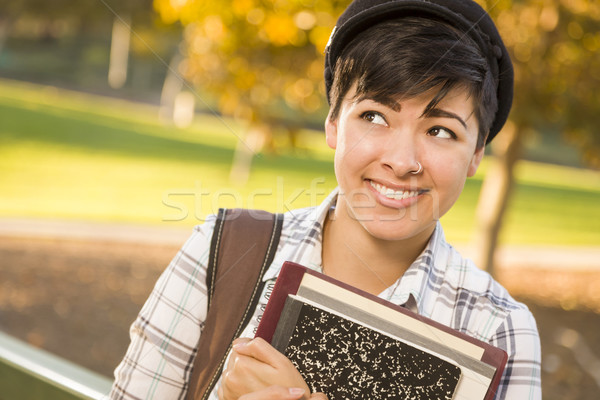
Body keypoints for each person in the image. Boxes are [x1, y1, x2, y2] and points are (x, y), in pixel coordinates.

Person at [110, 0, 541, 399]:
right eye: (374, 116)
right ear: (333, 123)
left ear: (477, 153)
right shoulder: (221, 249)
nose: (402, 161)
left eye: (440, 130)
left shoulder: (500, 328)